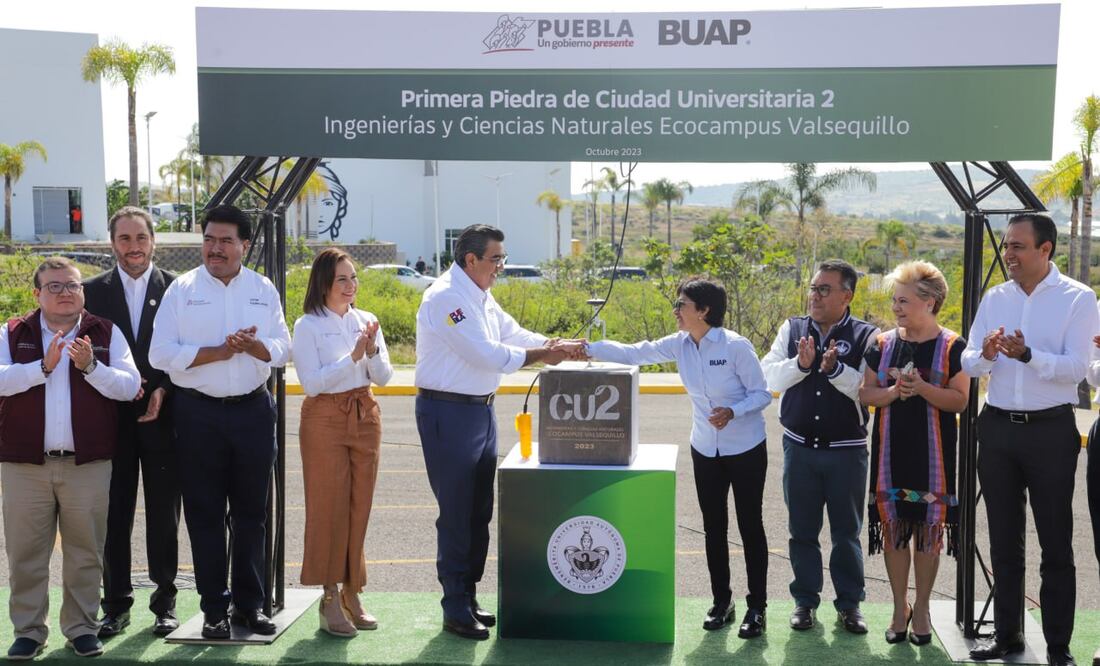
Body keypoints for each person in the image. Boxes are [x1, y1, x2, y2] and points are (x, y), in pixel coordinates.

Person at [580, 278, 772, 638]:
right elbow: (635, 352)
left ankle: (757, 608)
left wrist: (733, 410)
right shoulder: (680, 344)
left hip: (745, 448)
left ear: (704, 310)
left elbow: (762, 395)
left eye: (682, 304)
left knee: (750, 527)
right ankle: (721, 602)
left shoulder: (735, 347)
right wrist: (586, 348)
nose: (675, 310)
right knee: (714, 528)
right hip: (705, 448)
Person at [414, 223, 573, 640]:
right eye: (496, 259)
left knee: (479, 511)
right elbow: (486, 354)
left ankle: (468, 596)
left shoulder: (479, 295)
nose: (501, 266)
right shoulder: (447, 297)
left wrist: (553, 343)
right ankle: (454, 605)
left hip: (480, 412)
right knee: (456, 514)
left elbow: (512, 333)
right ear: (471, 260)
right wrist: (544, 355)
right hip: (447, 413)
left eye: (501, 258)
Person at [149, 204, 291, 640]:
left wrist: (255, 348)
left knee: (252, 514)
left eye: (226, 240)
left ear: (245, 245)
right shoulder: (182, 290)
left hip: (252, 410)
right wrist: (217, 351)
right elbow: (160, 354)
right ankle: (214, 609)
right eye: (209, 239)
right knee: (205, 515)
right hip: (198, 414)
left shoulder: (263, 289)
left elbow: (284, 348)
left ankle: (251, 606)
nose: (215, 248)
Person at [963, 213, 1097, 666]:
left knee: (1055, 542)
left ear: (1046, 250)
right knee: (1004, 540)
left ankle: (1058, 646)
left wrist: (1028, 355)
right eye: (1006, 245)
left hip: (1051, 431)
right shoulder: (996, 296)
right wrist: (983, 355)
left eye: (1018, 246)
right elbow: (967, 359)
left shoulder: (1079, 299)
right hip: (997, 427)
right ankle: (1008, 636)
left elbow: (1079, 367)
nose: (1009, 254)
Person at [0, 257, 140, 660]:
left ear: (84, 292)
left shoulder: (104, 332)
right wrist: (43, 367)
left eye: (73, 286)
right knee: (26, 553)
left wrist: (90, 366)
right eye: (55, 286)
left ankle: (81, 628)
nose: (65, 293)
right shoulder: (13, 332)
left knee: (86, 552)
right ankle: (29, 631)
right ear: (37, 294)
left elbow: (129, 386)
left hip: (87, 464)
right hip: (25, 464)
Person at [761, 259, 878, 634]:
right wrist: (802, 363)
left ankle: (849, 604)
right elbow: (769, 375)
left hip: (846, 452)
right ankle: (805, 602)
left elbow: (867, 391)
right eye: (813, 288)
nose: (815, 295)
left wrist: (833, 371)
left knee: (846, 533)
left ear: (847, 295)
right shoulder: (793, 328)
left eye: (824, 289)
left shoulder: (867, 336)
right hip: (799, 450)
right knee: (802, 531)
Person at [858, 261, 968, 646]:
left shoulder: (954, 346)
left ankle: (921, 607)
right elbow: (866, 393)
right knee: (893, 532)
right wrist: (890, 394)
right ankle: (898, 606)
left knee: (927, 534)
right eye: (894, 300)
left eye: (903, 300)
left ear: (931, 302)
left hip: (933, 456)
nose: (896, 308)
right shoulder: (882, 344)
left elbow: (960, 400)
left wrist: (920, 387)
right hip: (890, 454)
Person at [83, 206, 181, 639]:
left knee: (164, 514)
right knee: (114, 515)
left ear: (153, 241)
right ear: (112, 243)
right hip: (110, 420)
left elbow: (187, 349)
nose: (133, 247)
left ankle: (165, 603)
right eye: (124, 239)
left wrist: (163, 388)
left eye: (140, 238)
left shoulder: (179, 290)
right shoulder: (91, 293)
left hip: (163, 419)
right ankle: (116, 605)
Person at [292, 248, 394, 637]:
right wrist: (352, 357)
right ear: (324, 283)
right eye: (343, 279)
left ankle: (353, 590)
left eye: (354, 278)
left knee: (359, 506)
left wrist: (369, 353)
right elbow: (313, 383)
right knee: (327, 507)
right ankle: (329, 594)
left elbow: (383, 376)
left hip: (364, 412)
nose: (351, 286)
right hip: (324, 418)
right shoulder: (307, 325)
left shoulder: (367, 320)